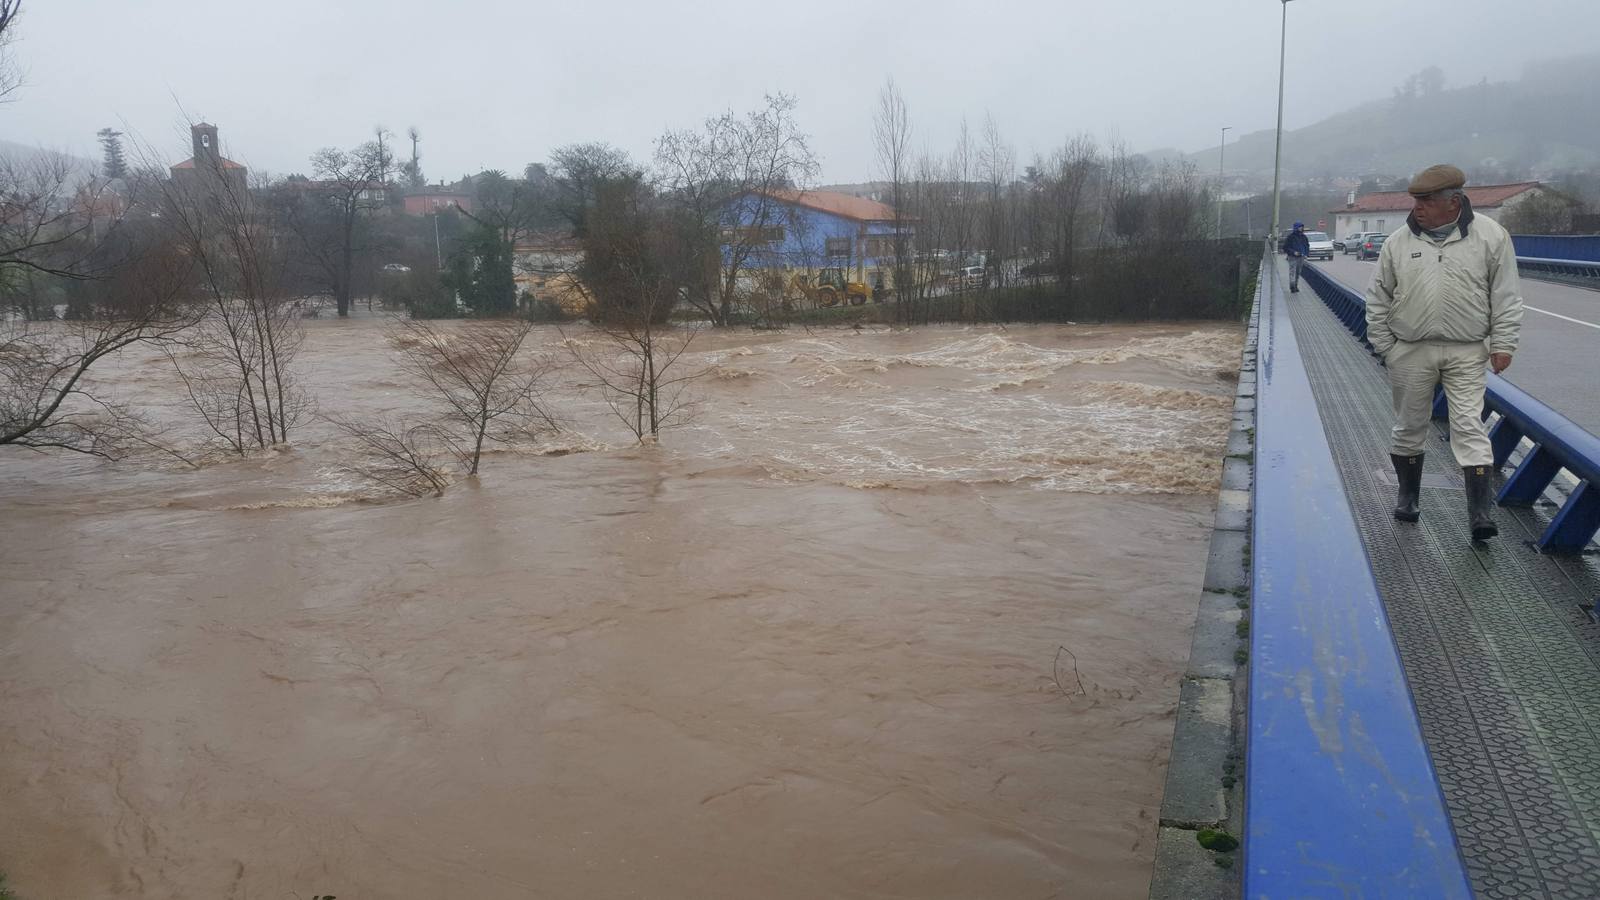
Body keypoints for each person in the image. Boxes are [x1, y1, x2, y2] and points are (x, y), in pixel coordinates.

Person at [1365, 164, 1524, 541]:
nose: (1418, 207)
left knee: (1469, 425)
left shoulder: (1490, 236)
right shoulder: (1399, 242)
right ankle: (1407, 498)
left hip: (1467, 349)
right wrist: (1387, 346)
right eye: (1416, 200)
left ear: (1454, 202)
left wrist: (1503, 344)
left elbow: (1505, 295)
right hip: (1411, 350)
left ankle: (1480, 514)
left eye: (1427, 200)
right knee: (1408, 426)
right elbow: (1377, 297)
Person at [1280, 222, 1310, 292]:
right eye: (1300, 227)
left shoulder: (1304, 237)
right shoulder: (1290, 237)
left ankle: (1296, 285)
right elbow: (1285, 247)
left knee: (1298, 272)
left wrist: (1306, 253)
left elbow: (1307, 246)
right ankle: (1292, 286)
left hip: (1301, 257)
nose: (1301, 228)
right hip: (1292, 257)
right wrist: (1293, 252)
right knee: (1292, 271)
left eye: (1302, 227)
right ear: (1296, 227)